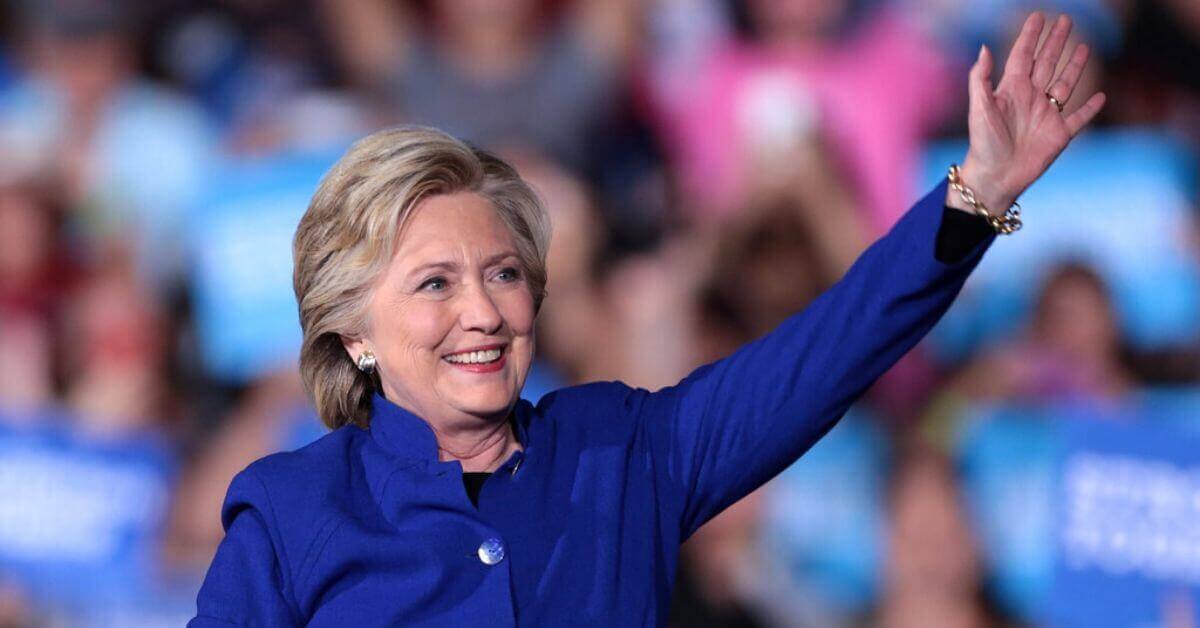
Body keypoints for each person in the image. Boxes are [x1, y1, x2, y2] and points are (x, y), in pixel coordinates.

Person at [189, 13, 1105, 626]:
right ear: (353, 331)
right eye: (434, 285)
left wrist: (977, 198)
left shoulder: (622, 452)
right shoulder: (292, 510)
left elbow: (830, 348)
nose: (483, 312)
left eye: (504, 273)